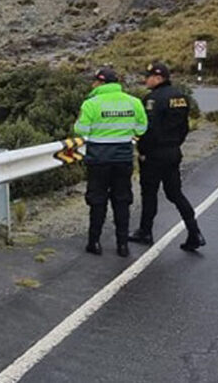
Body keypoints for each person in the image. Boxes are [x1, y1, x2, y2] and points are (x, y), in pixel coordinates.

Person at [130, 63, 206, 251]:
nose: (145, 80)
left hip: (155, 153)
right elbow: (184, 127)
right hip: (173, 152)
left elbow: (149, 130)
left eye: (148, 76)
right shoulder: (180, 97)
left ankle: (145, 231)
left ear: (158, 78)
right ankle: (194, 231)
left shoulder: (153, 99)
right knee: (175, 193)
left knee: (149, 193)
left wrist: (144, 151)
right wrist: (175, 144)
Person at [74, 67, 148, 257]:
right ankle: (122, 245)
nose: (92, 84)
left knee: (97, 200)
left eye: (94, 81)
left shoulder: (91, 104)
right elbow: (141, 128)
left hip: (98, 159)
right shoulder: (134, 102)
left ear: (100, 82)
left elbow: (81, 130)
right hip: (123, 158)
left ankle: (94, 242)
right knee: (122, 200)